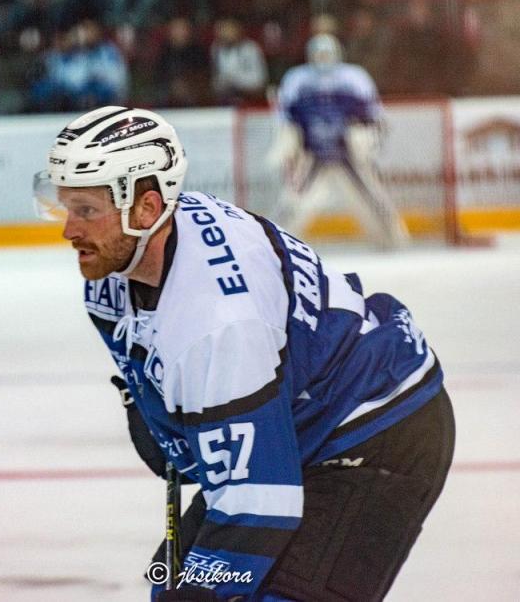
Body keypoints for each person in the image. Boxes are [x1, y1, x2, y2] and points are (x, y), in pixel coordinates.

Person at [33, 106, 455, 601]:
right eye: (65, 207)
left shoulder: (218, 320)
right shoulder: (115, 280)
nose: (68, 230)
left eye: (86, 211)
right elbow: (192, 449)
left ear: (145, 209)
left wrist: (203, 592)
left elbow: (258, 506)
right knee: (168, 584)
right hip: (295, 427)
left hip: (375, 428)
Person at [272, 33, 409, 249]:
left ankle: (392, 238)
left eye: (327, 53)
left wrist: (369, 143)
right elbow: (286, 119)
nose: (322, 58)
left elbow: (373, 116)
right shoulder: (297, 78)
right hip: (312, 150)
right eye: (318, 53)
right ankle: (276, 242)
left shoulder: (354, 77)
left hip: (348, 150)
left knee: (372, 195)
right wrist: (290, 147)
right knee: (293, 197)